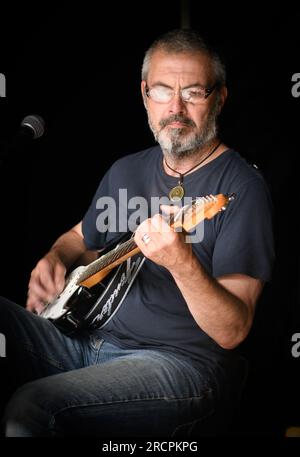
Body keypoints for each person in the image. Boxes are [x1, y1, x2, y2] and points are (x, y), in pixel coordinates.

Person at [0, 28, 274, 437]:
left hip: (180, 368)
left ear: (219, 98)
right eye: (163, 91)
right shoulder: (125, 170)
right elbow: (79, 239)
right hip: (83, 341)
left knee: (33, 408)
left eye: (194, 93)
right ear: (145, 94)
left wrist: (181, 262)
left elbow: (232, 330)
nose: (176, 108)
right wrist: (56, 257)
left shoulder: (241, 190)